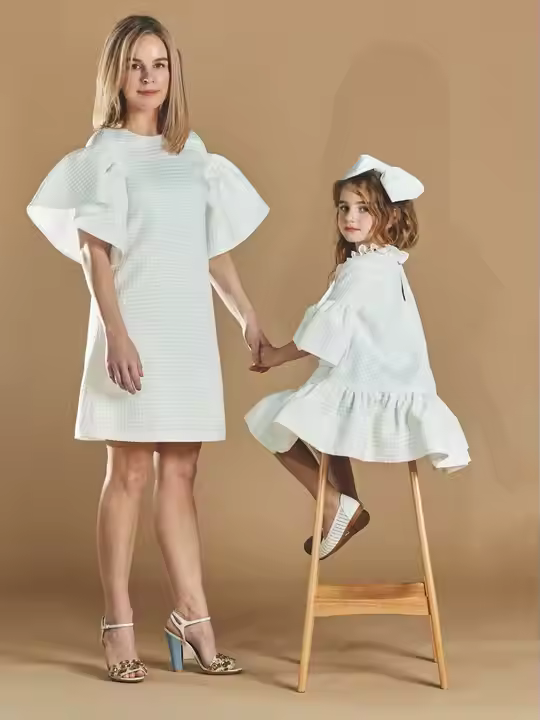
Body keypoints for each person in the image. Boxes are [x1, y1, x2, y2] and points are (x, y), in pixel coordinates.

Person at [27, 15, 269, 682]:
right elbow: (94, 253)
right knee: (129, 473)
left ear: (173, 72)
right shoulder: (104, 153)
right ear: (117, 74)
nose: (149, 76)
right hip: (131, 329)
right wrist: (116, 334)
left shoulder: (192, 153)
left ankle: (193, 616)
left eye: (159, 64)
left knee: (182, 475)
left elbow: (211, 249)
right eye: (136, 64)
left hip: (187, 332)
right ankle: (117, 622)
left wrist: (247, 317)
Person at [246, 154, 470, 560]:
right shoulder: (384, 263)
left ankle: (335, 504)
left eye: (364, 209)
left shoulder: (364, 271)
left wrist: (275, 356)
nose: (350, 217)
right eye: (344, 207)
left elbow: (323, 335)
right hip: (392, 386)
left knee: (268, 418)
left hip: (375, 390)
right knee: (324, 418)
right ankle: (347, 506)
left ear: (389, 215)